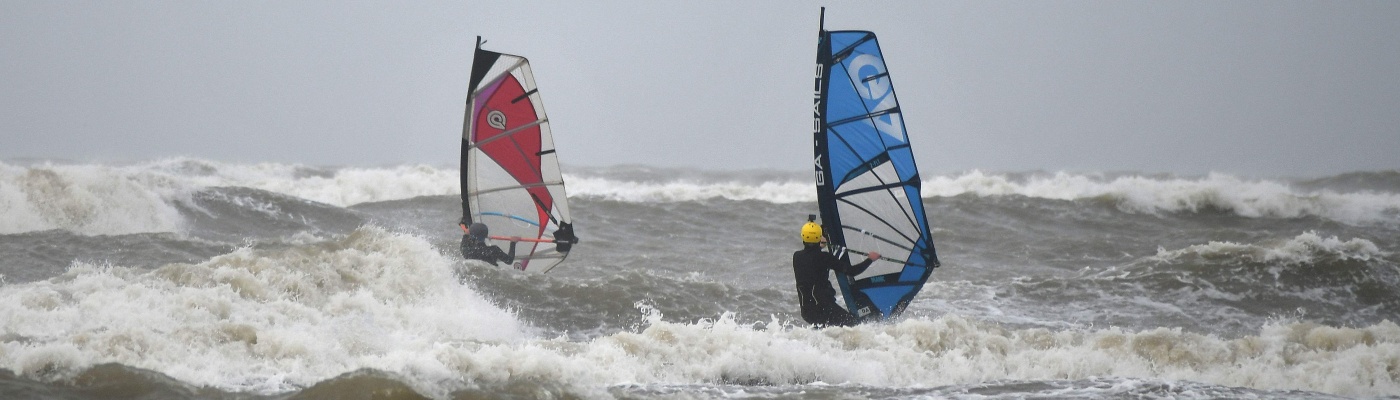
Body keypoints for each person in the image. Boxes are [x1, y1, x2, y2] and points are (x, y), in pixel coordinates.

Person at [792, 217, 879, 327]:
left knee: (828, 330)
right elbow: (851, 271)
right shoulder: (825, 258)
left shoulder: (797, 257)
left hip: (807, 312)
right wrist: (870, 259)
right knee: (854, 326)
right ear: (819, 238)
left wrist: (818, 239)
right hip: (825, 308)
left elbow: (812, 255)